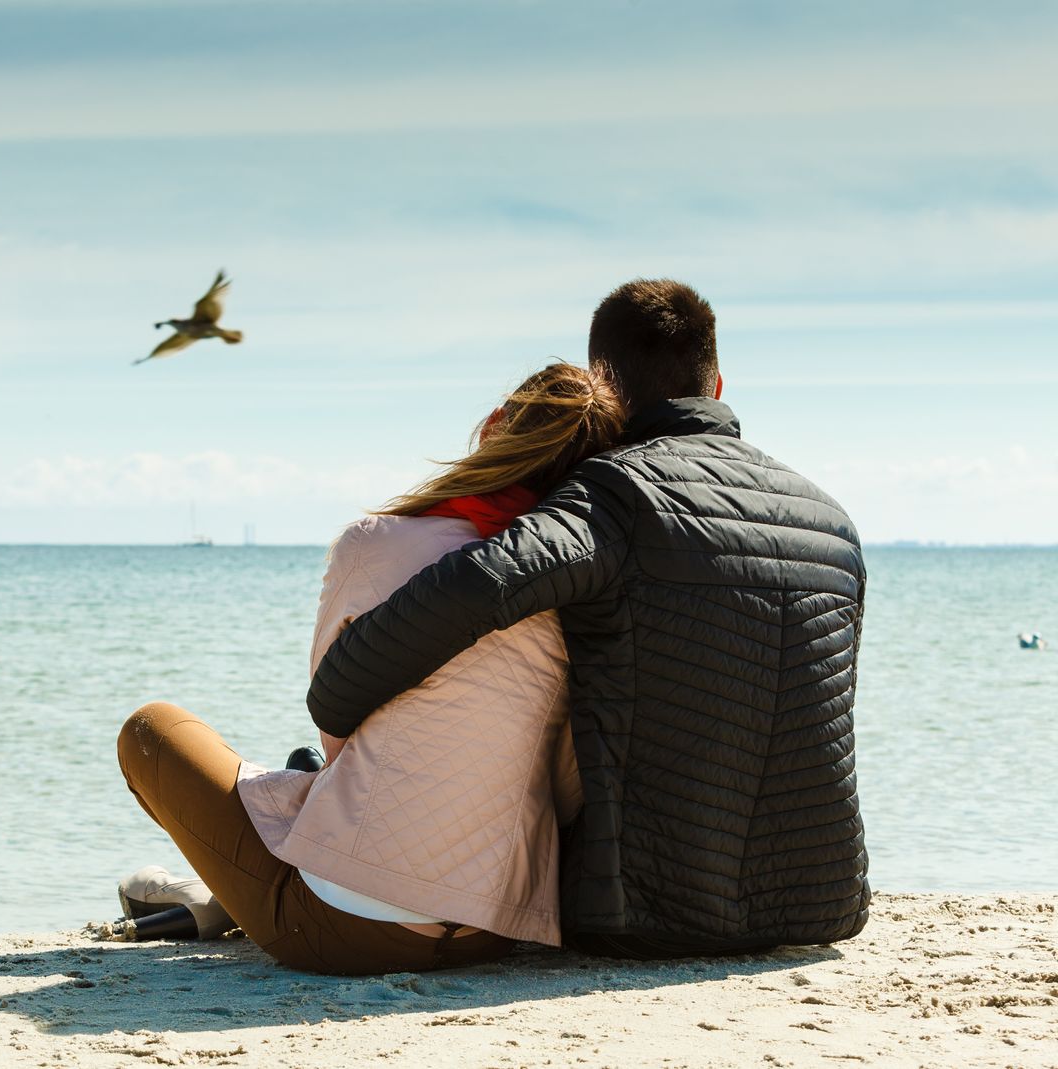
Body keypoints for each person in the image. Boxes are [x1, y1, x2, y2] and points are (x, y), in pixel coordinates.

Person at [308, 279, 870, 959]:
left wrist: (337, 691)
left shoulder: (616, 494)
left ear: (604, 389)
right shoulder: (834, 522)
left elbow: (479, 584)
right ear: (717, 384)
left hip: (647, 913)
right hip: (822, 902)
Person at [118, 362, 626, 975]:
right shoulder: (584, 588)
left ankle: (216, 898)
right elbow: (569, 777)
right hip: (495, 926)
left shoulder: (375, 543)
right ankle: (217, 898)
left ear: (494, 426)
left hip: (343, 928)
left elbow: (339, 730)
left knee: (152, 731)